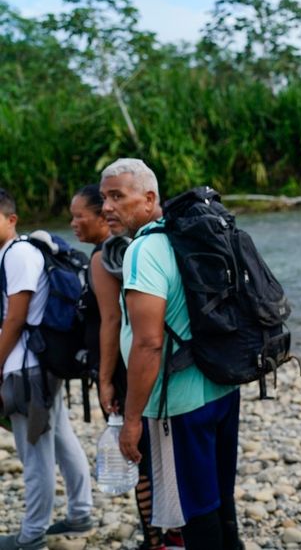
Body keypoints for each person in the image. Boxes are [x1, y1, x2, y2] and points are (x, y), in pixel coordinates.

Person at [99, 159, 241, 550]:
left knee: (193, 510)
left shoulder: (143, 250)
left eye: (117, 196)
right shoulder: (185, 236)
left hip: (178, 402)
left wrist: (131, 421)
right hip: (220, 384)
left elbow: (148, 343)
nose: (107, 207)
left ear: (149, 199)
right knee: (218, 497)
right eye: (103, 198)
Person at [71, 185, 183, 550]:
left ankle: (155, 540)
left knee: (137, 457)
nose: (74, 224)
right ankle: (174, 531)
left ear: (102, 217)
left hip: (126, 370)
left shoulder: (103, 257)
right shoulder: (139, 248)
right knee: (159, 455)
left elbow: (110, 321)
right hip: (153, 367)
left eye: (80, 216)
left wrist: (104, 381)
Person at [0, 188, 93, 550]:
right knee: (59, 436)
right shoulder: (16, 252)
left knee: (34, 451)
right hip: (39, 364)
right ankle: (80, 512)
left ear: (12, 220)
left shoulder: (18, 254)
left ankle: (32, 534)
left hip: (28, 369)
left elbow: (15, 318)